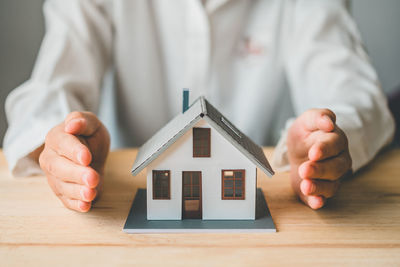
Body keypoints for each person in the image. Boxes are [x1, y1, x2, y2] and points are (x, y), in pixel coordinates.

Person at [3, 0, 394, 212]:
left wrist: (319, 143)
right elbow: (50, 86)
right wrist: (64, 146)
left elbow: (355, 93)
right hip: (115, 187)